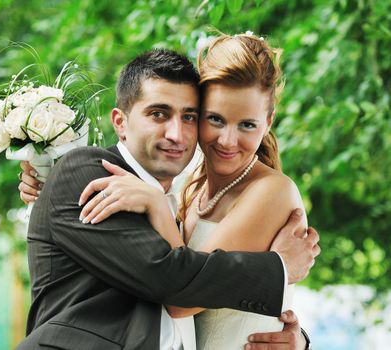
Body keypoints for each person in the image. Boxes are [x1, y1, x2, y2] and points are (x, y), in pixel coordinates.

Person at [17, 48, 319, 350]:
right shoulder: (89, 176)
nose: (176, 133)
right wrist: (278, 269)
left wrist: (294, 337)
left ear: (268, 122)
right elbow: (171, 279)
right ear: (119, 122)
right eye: (158, 114)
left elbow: (202, 295)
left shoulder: (174, 196)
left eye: (189, 116)